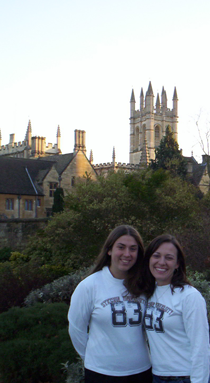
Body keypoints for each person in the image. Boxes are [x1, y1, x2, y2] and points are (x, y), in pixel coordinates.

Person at [68, 225, 152, 383]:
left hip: (141, 371)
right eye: (121, 247)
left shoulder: (145, 285)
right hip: (101, 373)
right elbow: (76, 329)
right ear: (109, 250)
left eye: (133, 249)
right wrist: (94, 358)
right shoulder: (89, 286)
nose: (127, 254)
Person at [143, 234, 210, 383]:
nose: (162, 262)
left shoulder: (189, 296)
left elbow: (201, 346)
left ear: (177, 263)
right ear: (149, 259)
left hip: (184, 377)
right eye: (156, 256)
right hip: (156, 376)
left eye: (169, 257)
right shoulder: (148, 293)